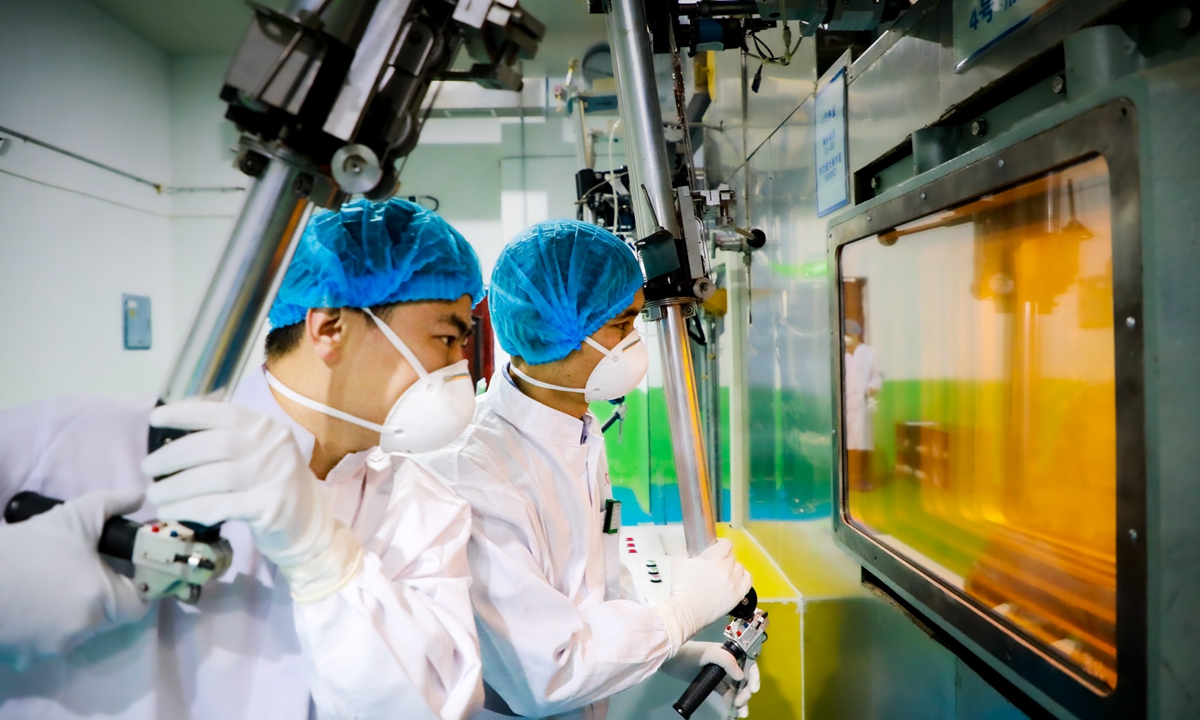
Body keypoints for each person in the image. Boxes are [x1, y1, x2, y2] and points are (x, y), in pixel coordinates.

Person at [0, 198, 485, 720]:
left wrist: (323, 555)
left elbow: (437, 705)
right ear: (329, 329)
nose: (461, 367)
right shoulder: (77, 440)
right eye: (447, 337)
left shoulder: (427, 514)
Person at [417, 220, 758, 720]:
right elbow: (547, 675)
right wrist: (674, 620)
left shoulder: (575, 427)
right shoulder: (473, 473)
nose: (633, 342)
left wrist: (668, 655)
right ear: (559, 330)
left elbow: (590, 591)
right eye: (621, 326)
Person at [843, 318, 882, 491]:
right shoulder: (839, 353)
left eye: (851, 333)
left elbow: (877, 375)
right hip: (845, 406)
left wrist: (873, 386)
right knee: (846, 444)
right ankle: (848, 480)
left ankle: (863, 480)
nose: (848, 336)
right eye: (846, 333)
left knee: (864, 444)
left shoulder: (869, 353)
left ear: (858, 334)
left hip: (863, 405)